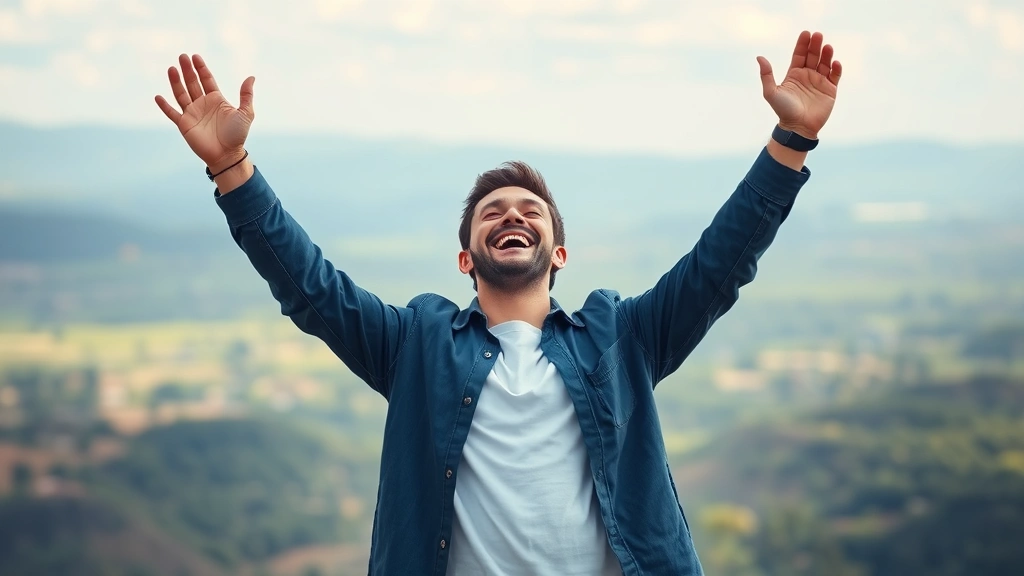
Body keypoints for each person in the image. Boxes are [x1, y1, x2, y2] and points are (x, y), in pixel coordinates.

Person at [155, 30, 842, 576]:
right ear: (466, 259)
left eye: (530, 210)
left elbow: (719, 265)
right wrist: (230, 169)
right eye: (492, 211)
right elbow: (310, 286)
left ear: (559, 253)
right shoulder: (414, 345)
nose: (512, 215)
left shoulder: (620, 335)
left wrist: (791, 143)